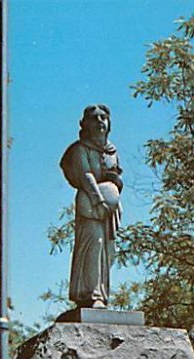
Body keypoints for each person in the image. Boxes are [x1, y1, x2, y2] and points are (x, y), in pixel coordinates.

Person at [60, 104, 123, 308]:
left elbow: (115, 176)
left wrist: (114, 188)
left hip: (108, 211)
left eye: (103, 117)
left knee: (108, 251)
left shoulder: (112, 151)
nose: (100, 122)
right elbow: (86, 176)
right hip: (91, 205)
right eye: (94, 118)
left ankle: (102, 295)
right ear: (84, 124)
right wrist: (100, 201)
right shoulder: (80, 150)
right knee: (93, 246)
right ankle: (90, 294)